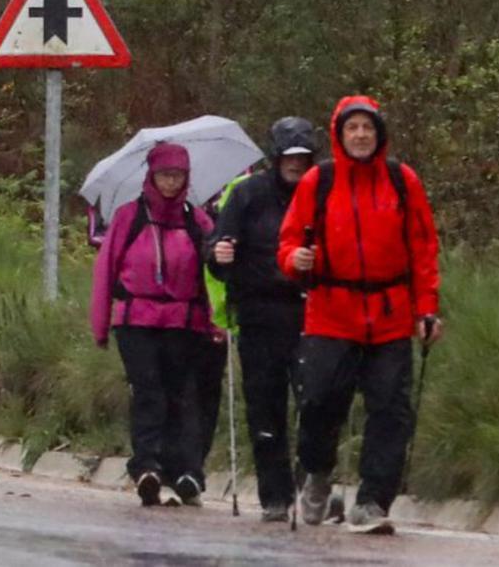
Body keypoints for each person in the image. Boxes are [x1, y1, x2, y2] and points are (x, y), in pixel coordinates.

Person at [277, 95, 442, 535]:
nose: (361, 135)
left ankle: (372, 501)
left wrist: (427, 309)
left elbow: (424, 249)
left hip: (390, 315)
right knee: (318, 402)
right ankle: (315, 474)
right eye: (352, 128)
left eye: (367, 127)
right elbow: (288, 242)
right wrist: (297, 260)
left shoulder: (402, 181)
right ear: (339, 134)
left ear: (379, 133)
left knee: (391, 409)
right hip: (331, 312)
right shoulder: (320, 181)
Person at [90, 142, 219, 508]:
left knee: (183, 397)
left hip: (184, 322)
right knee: (148, 392)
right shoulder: (129, 217)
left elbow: (214, 278)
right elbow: (106, 270)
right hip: (136, 321)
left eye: (177, 175)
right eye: (164, 174)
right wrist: (100, 325)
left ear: (186, 178)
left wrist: (218, 322)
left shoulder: (198, 221)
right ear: (151, 175)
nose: (170, 182)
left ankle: (184, 472)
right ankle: (146, 466)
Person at [206, 116, 319, 522]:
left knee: (317, 400)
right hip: (258, 314)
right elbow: (218, 243)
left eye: (302, 156)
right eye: (288, 156)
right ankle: (275, 495)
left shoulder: (323, 192)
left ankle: (311, 488)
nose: (295, 164)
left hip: (313, 310)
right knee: (265, 405)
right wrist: (219, 253)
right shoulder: (247, 193)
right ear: (275, 156)